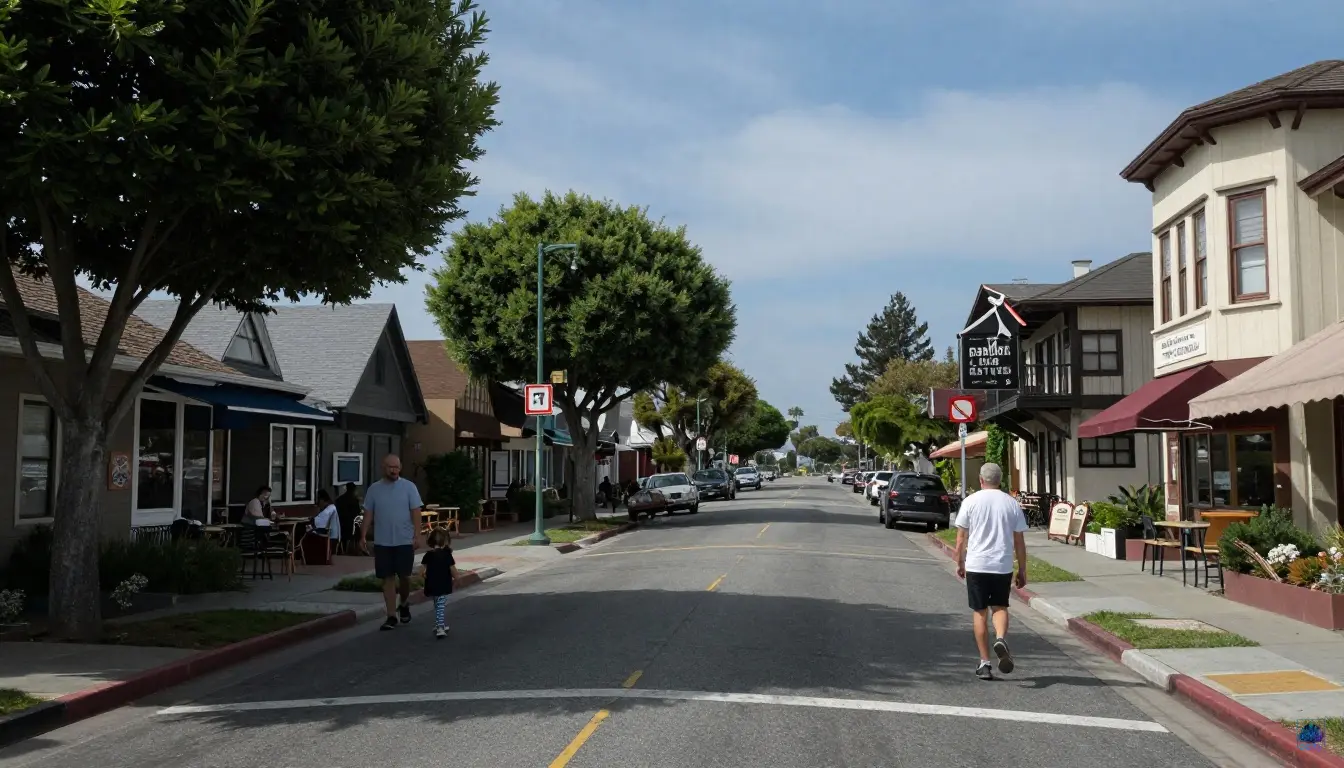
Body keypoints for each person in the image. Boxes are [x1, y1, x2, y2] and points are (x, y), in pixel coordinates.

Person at [954, 462, 1028, 681]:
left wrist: (959, 562)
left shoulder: (970, 501)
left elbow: (960, 538)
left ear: (980, 480)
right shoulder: (1011, 504)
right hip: (1001, 565)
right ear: (1000, 480)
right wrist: (1022, 568)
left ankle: (985, 663)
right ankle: (1001, 638)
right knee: (1000, 606)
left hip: (977, 564)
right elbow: (1019, 541)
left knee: (979, 611)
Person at [359, 454, 425, 631]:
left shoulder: (409, 487)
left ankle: (403, 602)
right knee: (387, 578)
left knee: (404, 577)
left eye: (397, 467)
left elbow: (416, 512)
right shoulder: (374, 489)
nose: (394, 470)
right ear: (384, 467)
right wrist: (363, 535)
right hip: (383, 541)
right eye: (390, 467)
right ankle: (391, 615)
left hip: (404, 540)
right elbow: (368, 514)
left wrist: (417, 535)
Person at [418, 528, 460, 640]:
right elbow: (453, 570)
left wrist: (423, 575)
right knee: (441, 606)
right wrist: (457, 579)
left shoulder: (428, 555)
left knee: (437, 605)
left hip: (431, 584)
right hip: (443, 584)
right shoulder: (447, 555)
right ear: (445, 541)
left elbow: (421, 570)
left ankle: (439, 624)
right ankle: (440, 628)